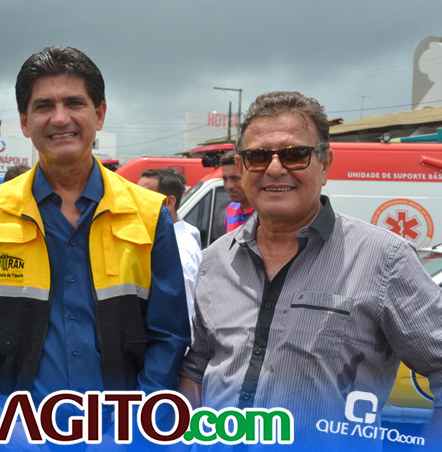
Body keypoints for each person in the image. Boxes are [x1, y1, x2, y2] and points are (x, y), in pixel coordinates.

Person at [0, 46, 189, 444]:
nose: (60, 118)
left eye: (74, 103)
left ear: (99, 114)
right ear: (25, 122)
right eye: (44, 106)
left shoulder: (149, 214)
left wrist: (134, 428)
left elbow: (169, 337)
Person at [178, 91, 442, 449]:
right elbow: (197, 366)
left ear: (325, 163)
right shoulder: (215, 260)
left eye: (294, 154)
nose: (274, 169)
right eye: (258, 156)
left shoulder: (384, 258)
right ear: (241, 167)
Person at [137, 168, 202, 341]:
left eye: (144, 197)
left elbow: (184, 318)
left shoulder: (178, 253)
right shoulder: (182, 233)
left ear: (169, 202)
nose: (135, 203)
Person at [220, 150, 253, 232]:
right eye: (225, 179)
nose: (228, 186)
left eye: (235, 178)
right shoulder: (230, 209)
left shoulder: (264, 213)